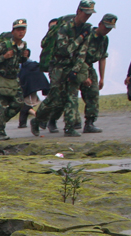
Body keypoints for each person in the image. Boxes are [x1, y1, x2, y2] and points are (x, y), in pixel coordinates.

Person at [32, 1, 95, 137]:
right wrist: (80, 37)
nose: (87, 17)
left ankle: (69, 128)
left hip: (72, 66)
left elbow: (83, 52)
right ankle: (37, 120)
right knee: (55, 98)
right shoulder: (65, 28)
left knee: (72, 97)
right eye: (86, 13)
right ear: (79, 11)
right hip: (58, 67)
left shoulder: (87, 29)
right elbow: (65, 49)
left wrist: (76, 69)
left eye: (90, 14)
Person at [0, 19, 29, 141]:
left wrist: (24, 57)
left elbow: (19, 61)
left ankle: (0, 122)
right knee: (2, 106)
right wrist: (3, 57)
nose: (21, 32)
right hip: (0, 79)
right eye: (18, 29)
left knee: (19, 103)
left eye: (23, 29)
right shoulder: (4, 45)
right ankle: (0, 132)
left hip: (14, 79)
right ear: (13, 31)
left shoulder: (23, 45)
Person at [81, 13, 117, 132]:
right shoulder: (88, 36)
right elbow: (79, 56)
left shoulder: (105, 40)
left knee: (93, 94)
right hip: (78, 66)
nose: (107, 30)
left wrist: (102, 78)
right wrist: (84, 75)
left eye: (110, 28)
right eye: (106, 27)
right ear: (100, 24)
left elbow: (102, 58)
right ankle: (52, 121)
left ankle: (89, 123)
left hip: (89, 67)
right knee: (66, 97)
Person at [18, 50, 50, 128]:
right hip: (34, 85)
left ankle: (40, 118)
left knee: (23, 104)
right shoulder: (31, 63)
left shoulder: (21, 64)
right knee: (24, 102)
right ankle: (22, 123)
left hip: (25, 85)